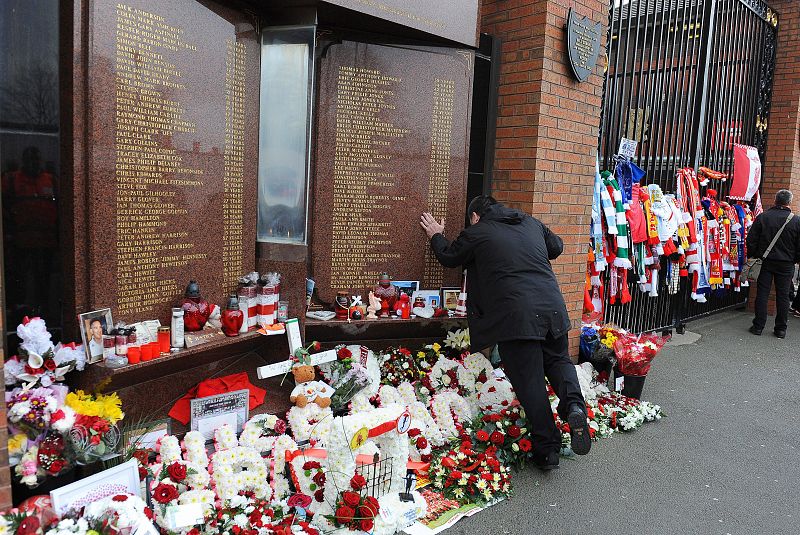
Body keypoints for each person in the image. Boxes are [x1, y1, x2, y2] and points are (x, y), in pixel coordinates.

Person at [420, 196, 590, 470]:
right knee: (559, 362)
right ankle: (574, 407)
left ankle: (548, 450)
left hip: (516, 317)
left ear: (475, 216)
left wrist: (437, 235)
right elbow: (556, 246)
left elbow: (450, 256)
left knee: (530, 381)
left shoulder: (477, 232)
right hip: (552, 308)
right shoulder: (530, 222)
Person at [747, 189, 800, 338]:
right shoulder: (796, 221)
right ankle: (781, 329)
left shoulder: (763, 217)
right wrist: (794, 260)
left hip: (765, 261)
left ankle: (758, 326)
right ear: (789, 202)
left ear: (775, 201)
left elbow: (751, 240)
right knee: (783, 296)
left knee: (762, 293)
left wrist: (755, 256)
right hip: (786, 263)